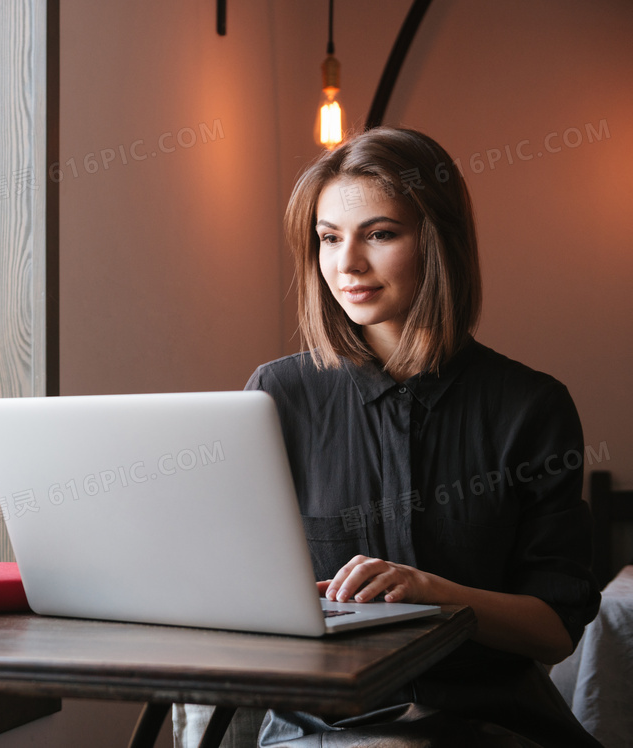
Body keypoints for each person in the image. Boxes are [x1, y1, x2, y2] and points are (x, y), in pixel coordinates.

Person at [174, 128, 601, 747]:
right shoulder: (278, 395)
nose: (346, 264)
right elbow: (236, 586)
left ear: (438, 241)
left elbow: (554, 629)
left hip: (489, 725)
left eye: (379, 234)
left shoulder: (530, 407)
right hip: (320, 728)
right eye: (328, 238)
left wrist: (436, 595)